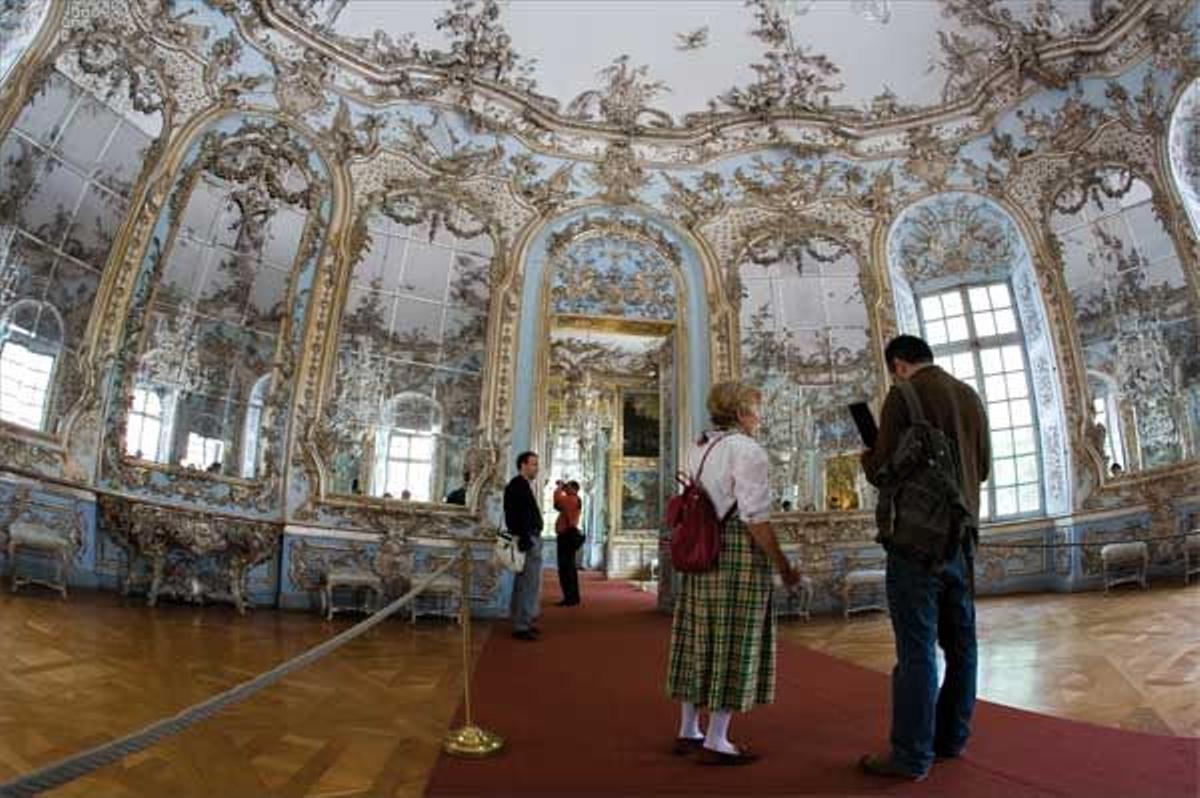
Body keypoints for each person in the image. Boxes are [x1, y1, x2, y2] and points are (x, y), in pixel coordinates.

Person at [858, 335, 990, 781]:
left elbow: (883, 470)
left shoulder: (904, 395)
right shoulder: (969, 396)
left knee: (917, 650)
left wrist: (867, 458)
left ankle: (911, 756)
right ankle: (952, 738)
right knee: (963, 646)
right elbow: (984, 468)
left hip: (916, 543)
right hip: (963, 539)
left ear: (897, 364)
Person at [667, 381, 801, 766]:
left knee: (698, 636)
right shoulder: (747, 450)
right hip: (735, 555)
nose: (760, 417)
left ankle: (688, 729)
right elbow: (756, 518)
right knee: (734, 636)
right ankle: (717, 739)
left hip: (701, 553)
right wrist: (783, 566)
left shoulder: (698, 445)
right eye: (757, 410)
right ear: (741, 413)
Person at [504, 451, 544, 641]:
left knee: (524, 583)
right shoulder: (517, 485)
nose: (536, 468)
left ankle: (522, 621)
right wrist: (524, 537)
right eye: (533, 464)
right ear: (523, 465)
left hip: (529, 538)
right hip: (527, 540)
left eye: (537, 464)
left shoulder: (522, 485)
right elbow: (513, 515)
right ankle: (521, 625)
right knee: (528, 584)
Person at [553, 479, 584, 606]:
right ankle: (573, 597)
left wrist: (559, 487)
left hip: (566, 536)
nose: (565, 489)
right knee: (569, 568)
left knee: (565, 569)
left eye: (568, 487)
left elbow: (556, 503)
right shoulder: (573, 499)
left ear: (574, 489)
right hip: (569, 535)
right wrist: (564, 487)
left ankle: (570, 598)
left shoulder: (571, 499)